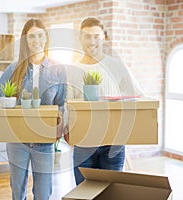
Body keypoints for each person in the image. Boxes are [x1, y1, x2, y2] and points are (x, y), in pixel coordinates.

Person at [0, 18, 66, 200]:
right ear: (25, 41)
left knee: (44, 194)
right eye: (31, 37)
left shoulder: (58, 69)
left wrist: (60, 126)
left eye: (39, 36)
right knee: (17, 192)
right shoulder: (14, 68)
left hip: (44, 142)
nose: (36, 41)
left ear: (46, 38)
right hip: (16, 140)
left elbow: (61, 104)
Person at [65, 17, 144, 185]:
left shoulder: (116, 66)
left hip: (113, 145)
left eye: (96, 36)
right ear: (80, 38)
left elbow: (138, 95)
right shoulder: (72, 70)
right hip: (83, 142)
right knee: (84, 192)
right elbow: (68, 105)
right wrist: (66, 130)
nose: (92, 41)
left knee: (111, 193)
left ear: (104, 38)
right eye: (87, 36)